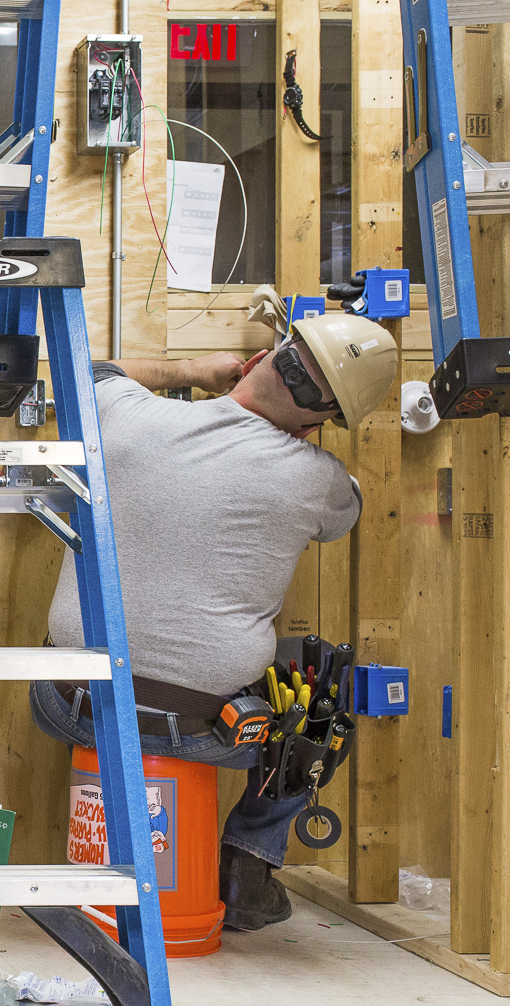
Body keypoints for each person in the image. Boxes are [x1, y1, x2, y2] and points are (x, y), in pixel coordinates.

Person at [28, 303, 399, 932]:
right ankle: (250, 861)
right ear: (321, 422)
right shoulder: (317, 477)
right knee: (317, 697)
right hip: (206, 729)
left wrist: (190, 370)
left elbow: (86, 370)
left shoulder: (126, 414)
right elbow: (348, 515)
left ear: (256, 361)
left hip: (67, 702)